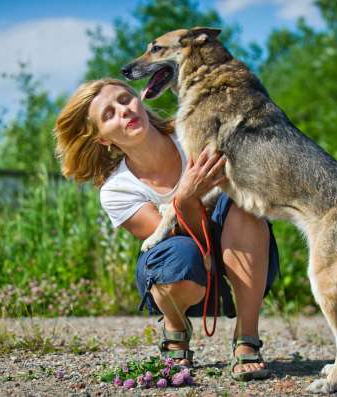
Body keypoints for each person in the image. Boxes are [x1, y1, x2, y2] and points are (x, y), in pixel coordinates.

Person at [54, 78, 279, 381]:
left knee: (243, 203)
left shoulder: (192, 134)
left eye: (125, 99)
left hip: (242, 254)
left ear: (140, 100)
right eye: (109, 114)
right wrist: (184, 197)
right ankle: (175, 326)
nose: (123, 110)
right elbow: (171, 240)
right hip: (185, 264)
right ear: (103, 138)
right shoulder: (117, 190)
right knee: (178, 258)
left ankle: (247, 337)